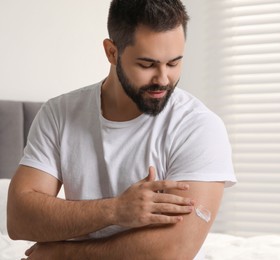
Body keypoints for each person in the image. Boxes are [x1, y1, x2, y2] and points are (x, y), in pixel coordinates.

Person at [7, 0, 236, 259]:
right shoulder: (60, 114)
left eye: (173, 63)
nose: (163, 79)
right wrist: (115, 210)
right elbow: (19, 219)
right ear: (112, 52)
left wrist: (64, 254)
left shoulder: (199, 126)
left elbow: (174, 250)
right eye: (147, 64)